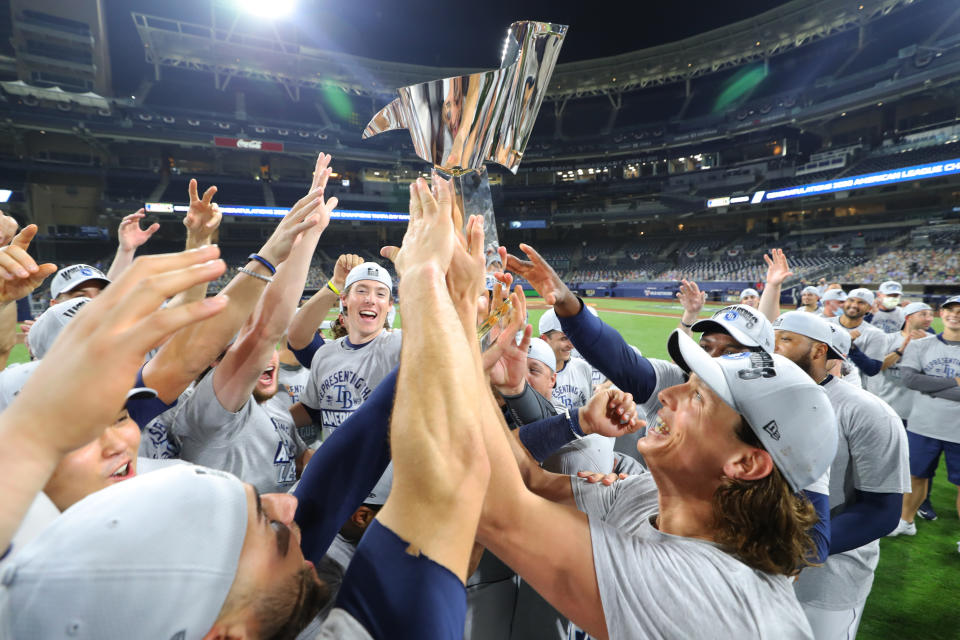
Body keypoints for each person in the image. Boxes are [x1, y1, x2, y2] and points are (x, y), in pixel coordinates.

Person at [772, 312, 910, 639]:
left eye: (786, 339)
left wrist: (794, 551)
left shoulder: (866, 411)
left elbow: (881, 512)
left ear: (819, 351)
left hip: (828, 580)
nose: (772, 347)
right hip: (759, 568)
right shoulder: (759, 399)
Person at [291, 260, 402, 444]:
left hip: (381, 471)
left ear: (390, 305)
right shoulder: (325, 354)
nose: (370, 299)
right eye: (361, 290)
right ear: (344, 299)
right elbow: (311, 409)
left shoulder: (398, 344)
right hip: (333, 469)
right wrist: (273, 422)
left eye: (380, 293)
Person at [889, 295, 960, 545]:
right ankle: (906, 521)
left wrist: (929, 386)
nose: (955, 315)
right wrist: (953, 383)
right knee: (916, 476)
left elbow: (920, 382)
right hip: (923, 424)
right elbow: (910, 379)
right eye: (951, 310)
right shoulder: (921, 345)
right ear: (943, 313)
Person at [824, 288, 889, 388]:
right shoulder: (824, 324)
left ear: (869, 309)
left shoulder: (876, 334)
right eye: (851, 300)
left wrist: (851, 347)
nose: (854, 305)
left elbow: (872, 370)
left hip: (854, 390)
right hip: (822, 385)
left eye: (861, 302)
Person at [538, 308, 593, 411]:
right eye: (564, 338)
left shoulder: (583, 368)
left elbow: (589, 411)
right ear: (545, 339)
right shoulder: (533, 376)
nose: (571, 345)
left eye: (572, 337)